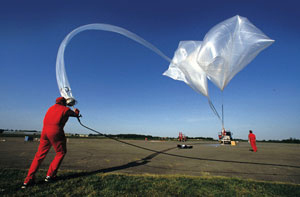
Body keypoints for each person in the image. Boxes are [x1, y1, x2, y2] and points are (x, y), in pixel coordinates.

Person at [22, 97, 80, 188]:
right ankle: (50, 175)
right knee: (61, 152)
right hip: (56, 131)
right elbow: (75, 114)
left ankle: (28, 180)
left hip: (44, 132)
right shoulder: (66, 109)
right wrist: (77, 111)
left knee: (39, 155)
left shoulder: (50, 108)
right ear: (64, 102)